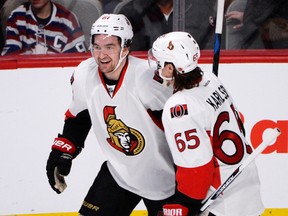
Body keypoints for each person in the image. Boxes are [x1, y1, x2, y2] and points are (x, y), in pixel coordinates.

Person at [46, 14, 175, 215]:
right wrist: (63, 151)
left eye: (109, 47)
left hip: (165, 179)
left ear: (125, 47)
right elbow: (79, 117)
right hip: (120, 173)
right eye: (97, 46)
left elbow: (180, 127)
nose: (101, 55)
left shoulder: (148, 79)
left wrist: (195, 180)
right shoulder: (84, 74)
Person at [148, 31, 264, 216]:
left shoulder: (179, 107)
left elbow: (196, 167)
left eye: (160, 62)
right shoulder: (211, 80)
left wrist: (186, 204)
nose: (156, 67)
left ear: (171, 68)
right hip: (246, 187)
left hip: (219, 201)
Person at [117, 0, 216, 51]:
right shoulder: (130, 12)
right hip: (147, 77)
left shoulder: (202, 9)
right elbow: (130, 55)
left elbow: (210, 51)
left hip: (190, 76)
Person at [1, 0, 86, 55]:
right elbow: (10, 58)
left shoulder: (69, 20)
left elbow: (76, 62)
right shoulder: (17, 17)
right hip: (25, 77)